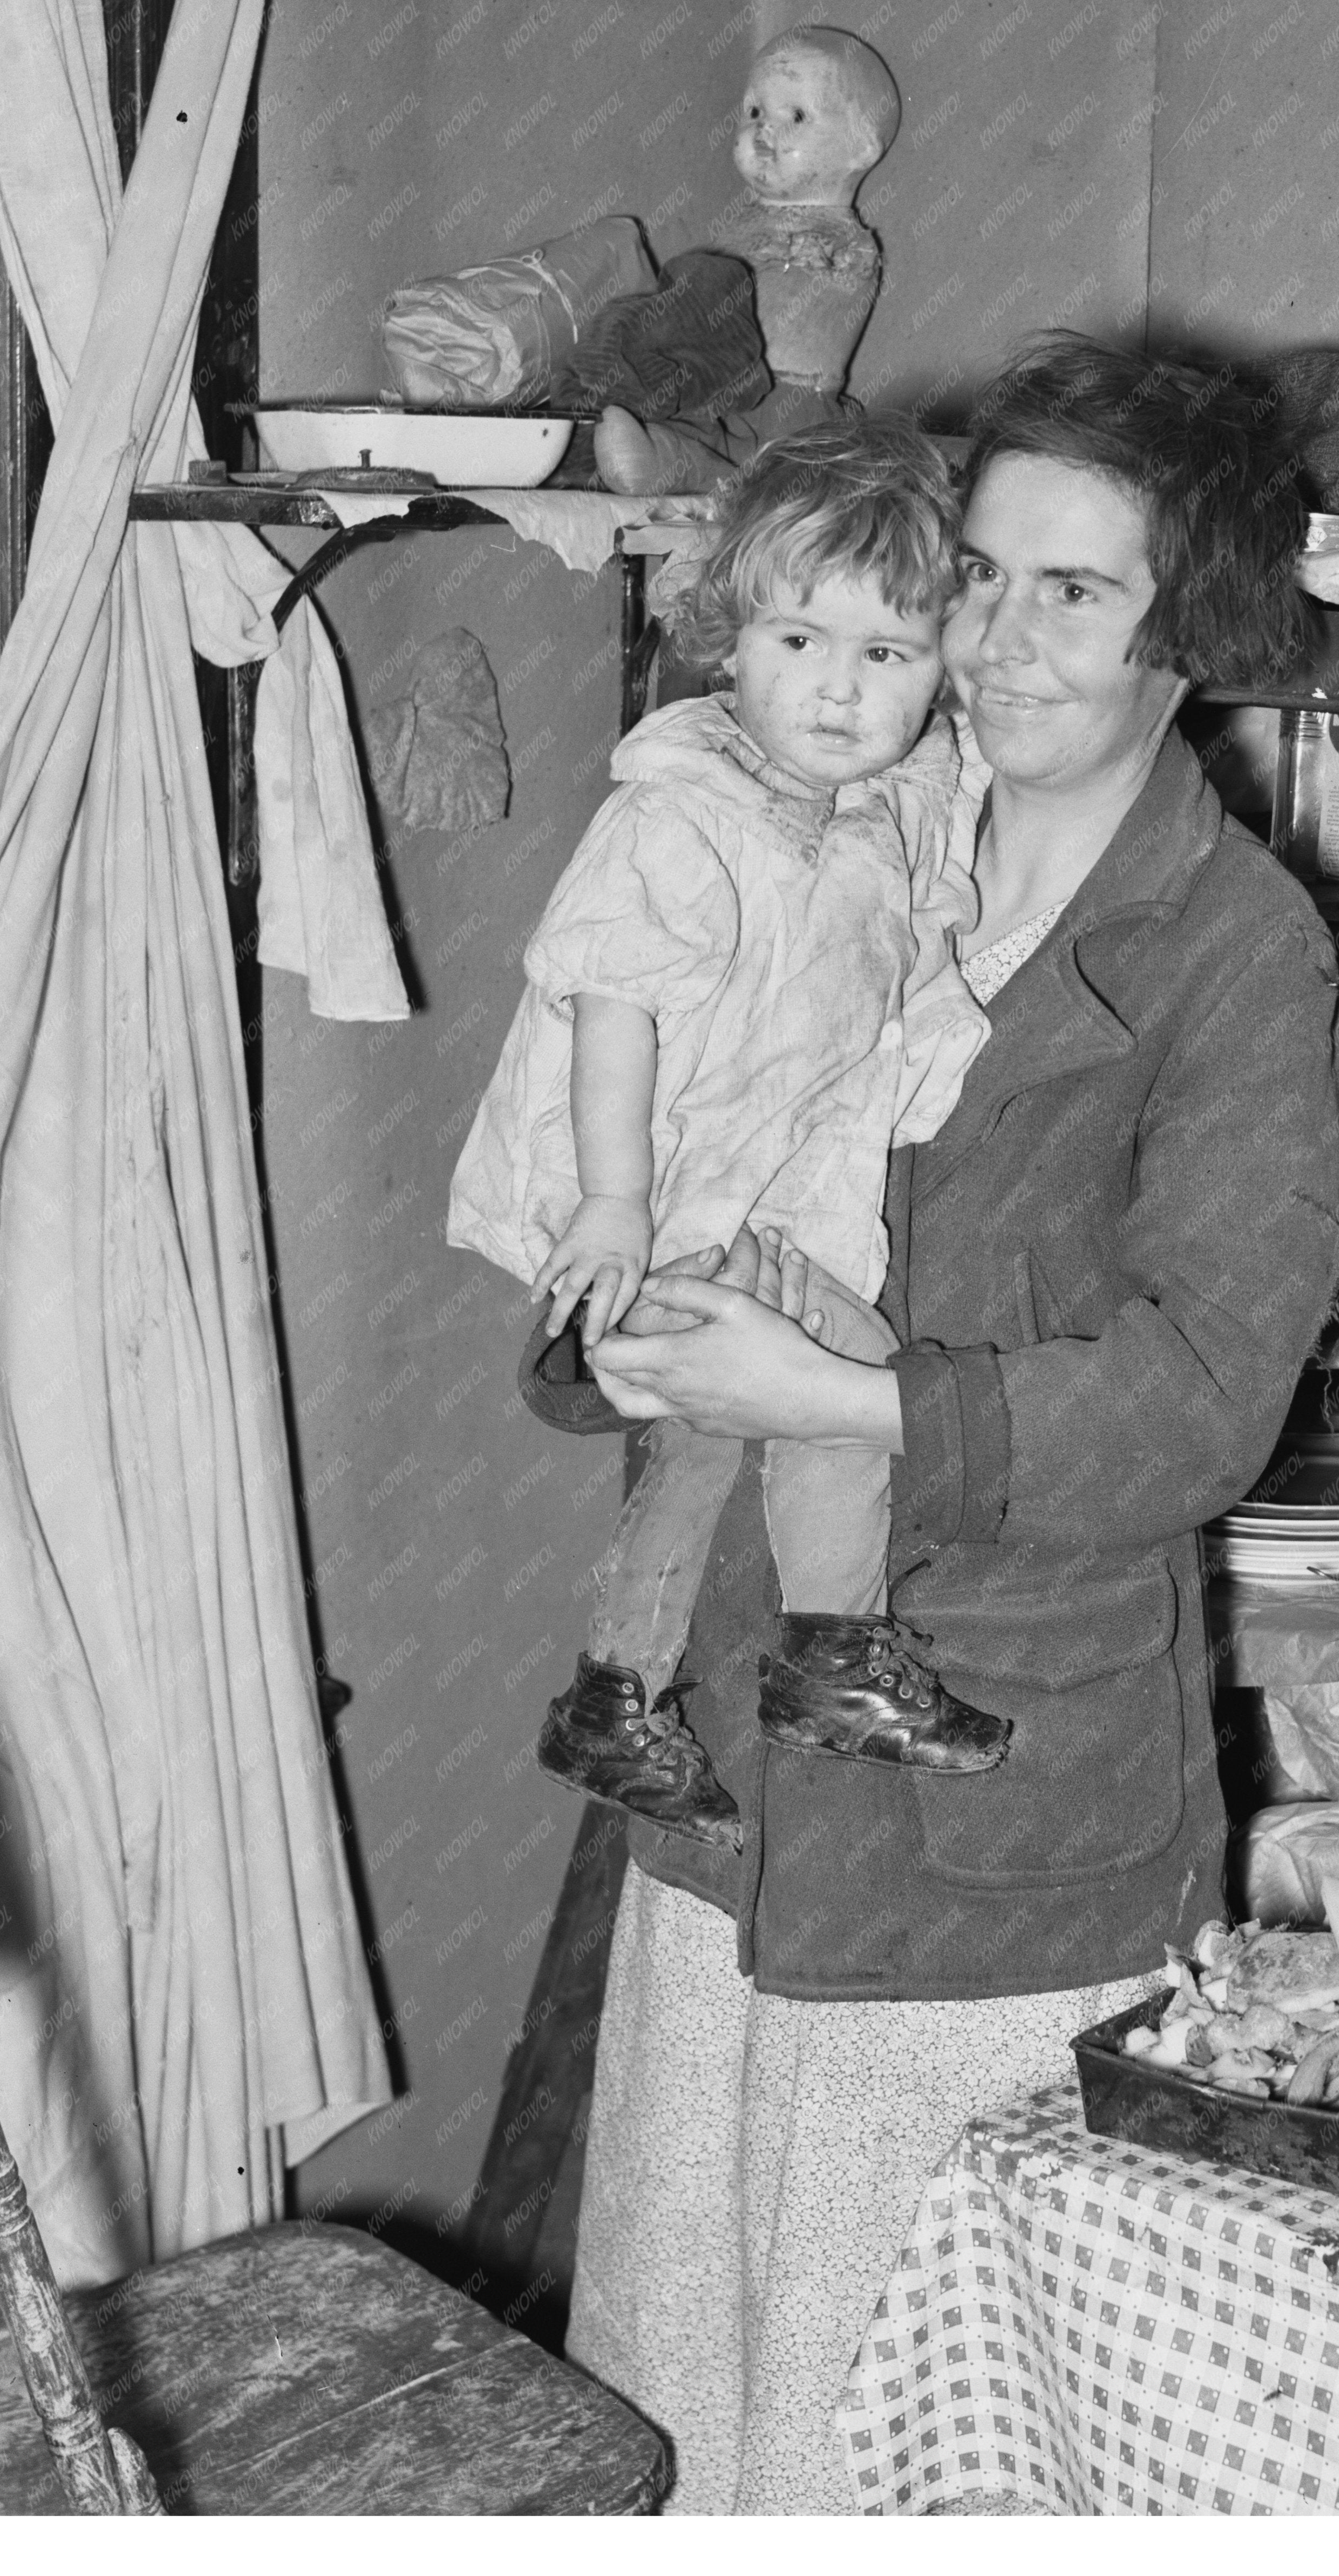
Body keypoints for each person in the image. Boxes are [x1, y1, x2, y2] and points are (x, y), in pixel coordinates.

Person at [564, 335, 1339, 2512]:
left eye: (1071, 594)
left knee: (909, 2447)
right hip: (730, 1770)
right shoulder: (829, 833)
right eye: (975, 579)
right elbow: (615, 1145)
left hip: (988, 1825)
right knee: (681, 2390)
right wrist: (608, 1329)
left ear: (1190, 630)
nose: (994, 642)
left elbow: (1201, 1405)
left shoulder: (1231, 956)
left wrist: (835, 1396)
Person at [445, 418, 1011, 1854]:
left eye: (885, 654)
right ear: (730, 637)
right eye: (797, 641)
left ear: (937, 665)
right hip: (651, 1197)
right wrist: (617, 1207)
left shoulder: (870, 802)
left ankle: (612, 1691)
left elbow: (953, 782)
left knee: (703, 1441)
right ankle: (831, 1653)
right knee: (843, 1385)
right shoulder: (683, 815)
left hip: (739, 1196)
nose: (836, 687)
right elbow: (611, 1008)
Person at [594, 26, 901, 497]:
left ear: (861, 149)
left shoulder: (845, 242)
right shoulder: (740, 226)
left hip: (790, 393)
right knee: (695, 428)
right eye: (754, 111)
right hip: (716, 383)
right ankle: (662, 457)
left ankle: (703, 474)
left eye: (797, 115)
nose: (764, 128)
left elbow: (828, 294)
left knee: (777, 470)